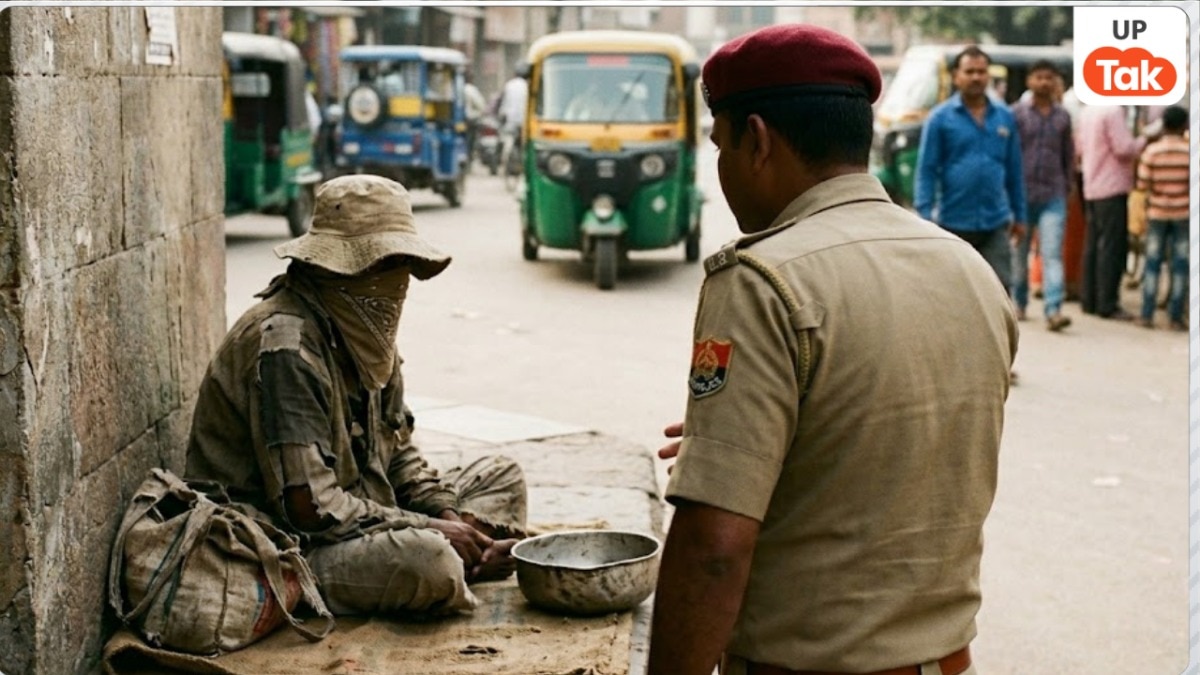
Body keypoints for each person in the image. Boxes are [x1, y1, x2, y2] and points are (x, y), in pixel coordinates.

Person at [648, 24, 1017, 675]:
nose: (722, 170)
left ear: (756, 140)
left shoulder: (762, 279)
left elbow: (714, 548)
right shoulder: (970, 270)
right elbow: (903, 443)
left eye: (720, 145)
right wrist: (754, 441)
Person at [185, 174, 527, 617]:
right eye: (383, 266)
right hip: (282, 544)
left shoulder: (365, 334)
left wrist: (448, 515)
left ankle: (462, 558)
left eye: (400, 267)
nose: (396, 283)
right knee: (430, 560)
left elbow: (397, 454)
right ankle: (449, 567)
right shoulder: (286, 346)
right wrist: (435, 533)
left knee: (502, 476)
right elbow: (309, 509)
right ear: (335, 268)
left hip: (363, 508)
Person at [914, 46, 1028, 291]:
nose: (976, 77)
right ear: (957, 76)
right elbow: (927, 171)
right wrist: (924, 218)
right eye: (969, 71)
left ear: (988, 75)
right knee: (953, 294)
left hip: (995, 222)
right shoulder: (940, 118)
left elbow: (1014, 169)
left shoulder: (1005, 117)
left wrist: (1020, 215)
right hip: (952, 224)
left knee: (999, 291)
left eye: (981, 71)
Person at [1010, 59, 1074, 331]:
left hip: (1053, 195)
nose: (1044, 82)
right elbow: (1009, 154)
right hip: (1021, 195)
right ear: (1029, 81)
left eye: (1049, 77)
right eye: (1039, 77)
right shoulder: (1016, 114)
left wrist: (1068, 188)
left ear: (1055, 82)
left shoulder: (1063, 116)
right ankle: (1019, 304)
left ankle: (1053, 310)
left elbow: (1068, 156)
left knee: (1051, 254)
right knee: (1018, 254)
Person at [1074, 104, 1147, 320]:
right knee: (1111, 247)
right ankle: (1107, 302)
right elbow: (1124, 148)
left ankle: (1089, 299)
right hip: (1112, 185)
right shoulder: (1113, 111)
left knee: (1093, 245)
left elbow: (1078, 148)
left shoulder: (1088, 111)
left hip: (1091, 184)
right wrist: (1144, 140)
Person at [1135, 105, 1190, 330]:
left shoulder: (1152, 152)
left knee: (1152, 263)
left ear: (1164, 125)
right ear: (1184, 126)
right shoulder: (1189, 153)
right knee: (1180, 264)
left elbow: (1142, 184)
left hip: (1157, 213)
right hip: (1183, 213)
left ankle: (1147, 314)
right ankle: (1175, 316)